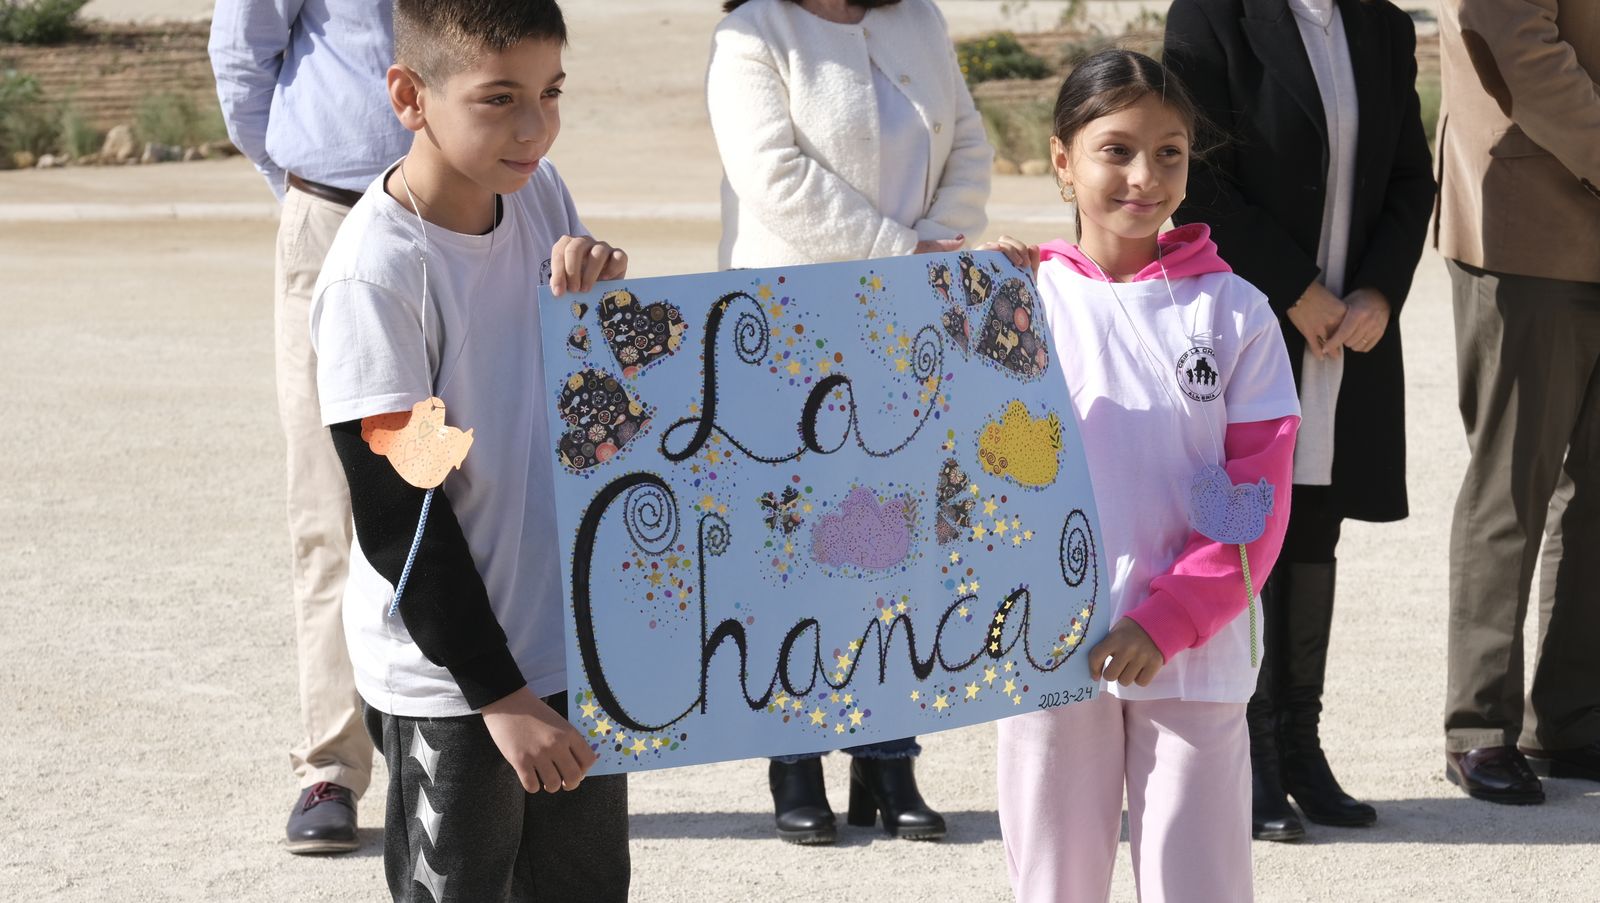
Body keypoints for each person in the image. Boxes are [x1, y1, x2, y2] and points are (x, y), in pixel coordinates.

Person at [309, 1, 631, 898]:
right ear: (409, 95)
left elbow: (571, 409)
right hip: (454, 683)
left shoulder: (540, 194)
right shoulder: (381, 273)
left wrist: (591, 316)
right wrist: (500, 697)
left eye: (551, 93)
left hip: (567, 650)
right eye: (499, 99)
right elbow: (400, 514)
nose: (534, 127)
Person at [984, 49, 1300, 901]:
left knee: (1196, 883)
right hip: (1047, 647)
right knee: (1056, 883)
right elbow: (967, 470)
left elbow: (1257, 502)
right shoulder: (1017, 302)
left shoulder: (1235, 312)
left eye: (1169, 152)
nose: (1143, 175)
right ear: (1061, 158)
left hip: (1194, 656)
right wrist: (972, 312)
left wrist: (1168, 622)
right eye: (1115, 149)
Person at [705, 0, 993, 843]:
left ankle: (887, 756)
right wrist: (902, 254)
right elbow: (773, 176)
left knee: (890, 541)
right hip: (787, 325)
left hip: (901, 325)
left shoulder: (921, 21)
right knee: (792, 547)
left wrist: (939, 242)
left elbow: (968, 142)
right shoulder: (752, 33)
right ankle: (795, 759)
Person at [1162, 0, 1435, 840]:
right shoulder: (1212, 17)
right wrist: (1295, 288)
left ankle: (1301, 749)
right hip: (1257, 318)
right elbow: (1200, 178)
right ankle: (1251, 760)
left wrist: (1378, 292)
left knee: (1316, 526)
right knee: (1247, 533)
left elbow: (1406, 178)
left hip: (1349, 330)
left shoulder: (1382, 27)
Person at [209, 0, 412, 854]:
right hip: (327, 221)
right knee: (329, 511)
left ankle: (454, 744)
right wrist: (296, 183)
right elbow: (242, 56)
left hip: (454, 222)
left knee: (449, 483)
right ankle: (332, 765)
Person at [1434, 0, 1600, 805]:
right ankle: (1479, 728)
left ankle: (1571, 717)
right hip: (1529, 220)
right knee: (1512, 486)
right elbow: (1518, 43)